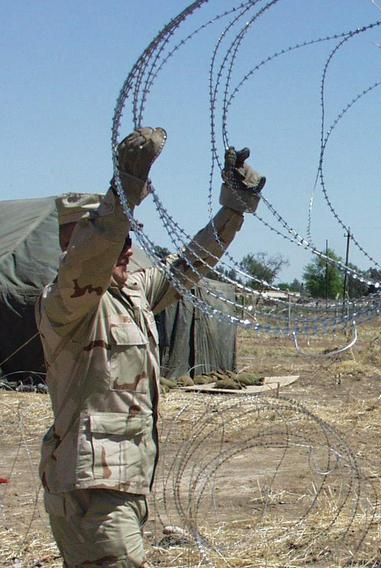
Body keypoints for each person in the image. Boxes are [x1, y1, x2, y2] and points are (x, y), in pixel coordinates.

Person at [36, 126, 266, 567]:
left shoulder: (136, 291)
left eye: (130, 236)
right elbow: (92, 256)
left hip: (124, 481)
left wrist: (233, 209)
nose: (127, 248)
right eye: (118, 237)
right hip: (91, 490)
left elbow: (189, 265)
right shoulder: (65, 302)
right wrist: (126, 186)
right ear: (72, 242)